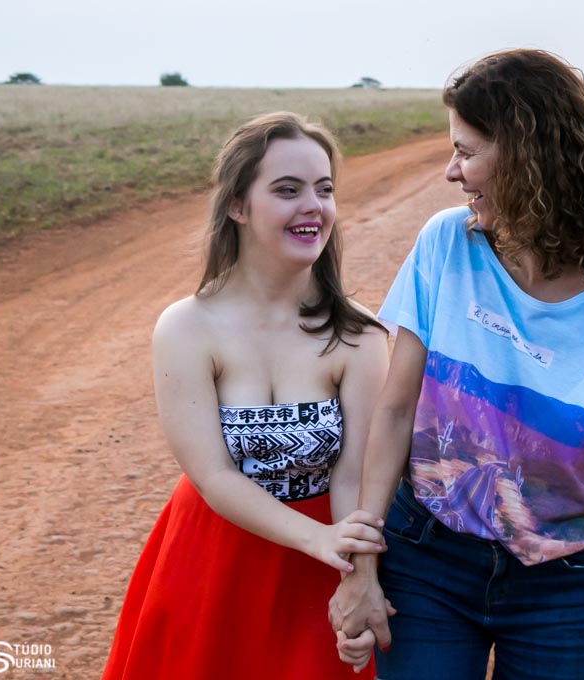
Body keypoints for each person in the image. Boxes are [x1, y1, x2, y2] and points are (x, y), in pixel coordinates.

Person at [329, 50, 584, 680]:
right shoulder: (445, 244)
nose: (451, 172)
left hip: (569, 586)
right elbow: (395, 411)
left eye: (466, 152)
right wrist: (363, 569)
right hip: (426, 561)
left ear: (528, 159)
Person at [102, 112, 390, 680]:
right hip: (213, 558)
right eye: (287, 190)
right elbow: (213, 476)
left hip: (318, 572)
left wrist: (356, 579)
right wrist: (318, 539)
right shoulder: (187, 327)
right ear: (237, 205)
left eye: (324, 189)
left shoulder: (358, 333)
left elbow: (355, 476)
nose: (313, 207)